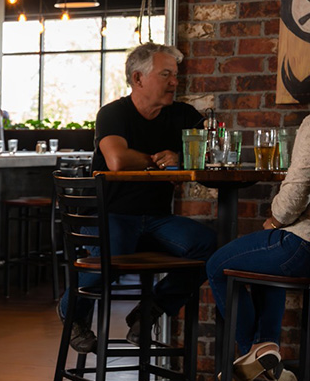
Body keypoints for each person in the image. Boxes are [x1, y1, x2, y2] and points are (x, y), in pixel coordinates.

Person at [58, 42, 217, 353]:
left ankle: (149, 311)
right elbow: (117, 159)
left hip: (157, 219)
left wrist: (181, 157)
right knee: (114, 252)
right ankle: (72, 313)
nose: (175, 82)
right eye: (166, 74)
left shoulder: (183, 115)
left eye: (175, 75)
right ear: (137, 78)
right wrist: (159, 160)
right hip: (109, 214)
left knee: (210, 247)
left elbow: (212, 151)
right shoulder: (113, 113)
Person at [206, 115, 310, 381]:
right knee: (266, 263)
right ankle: (265, 346)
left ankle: (253, 353)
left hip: (305, 246)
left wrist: (275, 221)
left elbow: (296, 191)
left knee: (216, 265)